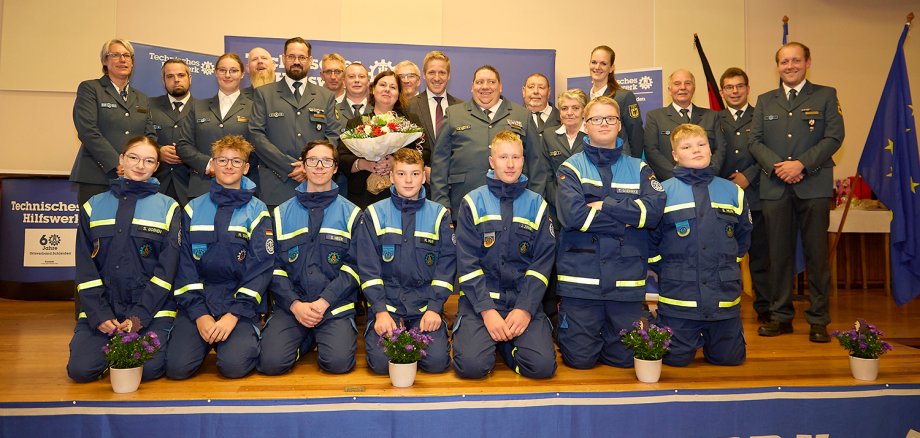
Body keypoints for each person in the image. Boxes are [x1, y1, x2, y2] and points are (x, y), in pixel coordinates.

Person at [554, 96, 665, 369]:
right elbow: (573, 215)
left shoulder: (639, 168)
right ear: (585, 125)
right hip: (581, 283)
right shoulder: (570, 167)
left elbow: (653, 212)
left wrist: (606, 204)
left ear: (619, 125)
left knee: (625, 360)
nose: (604, 124)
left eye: (610, 119)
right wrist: (628, 219)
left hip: (625, 284)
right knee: (580, 361)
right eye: (596, 119)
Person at [750, 42, 844, 343]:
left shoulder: (826, 95)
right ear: (777, 66)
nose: (789, 66)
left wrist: (801, 164)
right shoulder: (766, 101)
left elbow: (834, 136)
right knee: (777, 255)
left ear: (807, 62)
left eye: (795, 60)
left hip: (813, 184)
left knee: (817, 255)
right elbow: (755, 141)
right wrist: (780, 167)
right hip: (775, 186)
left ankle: (818, 318)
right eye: (783, 61)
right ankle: (781, 316)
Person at [67, 136, 180, 382]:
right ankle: (107, 353)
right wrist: (99, 315)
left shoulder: (168, 208)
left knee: (148, 371)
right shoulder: (93, 206)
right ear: (121, 160)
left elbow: (166, 272)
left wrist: (138, 316)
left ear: (156, 167)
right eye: (134, 158)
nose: (140, 165)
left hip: (150, 310)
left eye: (149, 160)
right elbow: (85, 270)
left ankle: (117, 354)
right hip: (103, 311)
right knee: (81, 371)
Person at [165, 135, 273, 379]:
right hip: (199, 302)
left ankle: (232, 339)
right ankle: (202, 339)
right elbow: (184, 265)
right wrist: (200, 315)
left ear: (246, 168)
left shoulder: (258, 210)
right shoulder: (192, 208)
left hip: (239, 306)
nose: (228, 166)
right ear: (212, 165)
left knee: (234, 367)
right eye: (222, 160)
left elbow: (261, 269)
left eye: (236, 161)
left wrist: (233, 316)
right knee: (177, 369)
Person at [451, 130, 556, 379]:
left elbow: (542, 265)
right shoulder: (472, 203)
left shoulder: (537, 205)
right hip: (481, 304)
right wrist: (487, 311)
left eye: (516, 158)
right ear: (491, 161)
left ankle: (506, 344)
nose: (510, 164)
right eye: (503, 157)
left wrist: (525, 309)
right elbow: (467, 264)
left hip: (521, 303)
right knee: (472, 367)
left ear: (523, 160)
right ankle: (493, 339)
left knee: (541, 368)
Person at [649, 123, 752, 367]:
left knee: (730, 360)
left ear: (710, 148)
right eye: (687, 146)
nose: (696, 150)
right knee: (674, 361)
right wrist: (667, 272)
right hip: (680, 301)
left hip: (723, 302)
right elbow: (650, 244)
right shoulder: (661, 194)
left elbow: (743, 238)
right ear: (675, 155)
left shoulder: (733, 192)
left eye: (701, 144)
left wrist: (725, 267)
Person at [259, 140, 361, 375]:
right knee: (271, 363)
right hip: (291, 307)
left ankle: (319, 336)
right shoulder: (281, 213)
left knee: (337, 364)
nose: (319, 166)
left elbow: (354, 268)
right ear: (303, 166)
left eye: (326, 161)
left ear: (335, 168)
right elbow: (273, 266)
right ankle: (305, 340)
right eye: (312, 160)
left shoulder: (353, 213)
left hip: (334, 307)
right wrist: (295, 304)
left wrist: (324, 302)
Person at [356, 148, 455, 375]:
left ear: (423, 176)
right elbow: (368, 269)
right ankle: (380, 329)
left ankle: (421, 335)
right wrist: (380, 311)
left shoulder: (439, 215)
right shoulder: (372, 214)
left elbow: (446, 266)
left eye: (414, 174)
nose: (408, 180)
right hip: (388, 306)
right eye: (401, 174)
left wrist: (434, 309)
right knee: (382, 365)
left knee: (437, 364)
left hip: (424, 306)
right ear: (391, 177)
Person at [430, 65, 548, 221]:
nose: (485, 87)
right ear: (472, 87)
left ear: (500, 86)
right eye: (480, 82)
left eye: (491, 82)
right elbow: (440, 163)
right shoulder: (454, 114)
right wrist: (442, 203)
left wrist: (534, 202)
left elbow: (536, 163)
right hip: (464, 204)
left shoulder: (522, 115)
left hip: (516, 204)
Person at [249, 37, 342, 209]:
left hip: (315, 184)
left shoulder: (325, 96)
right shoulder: (264, 94)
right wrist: (288, 166)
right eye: (291, 57)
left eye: (302, 57)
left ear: (310, 61)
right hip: (275, 185)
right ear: (283, 59)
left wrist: (310, 167)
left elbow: (332, 135)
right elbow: (256, 135)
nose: (296, 62)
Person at [71, 38, 155, 205]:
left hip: (134, 178)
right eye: (115, 55)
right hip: (97, 176)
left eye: (127, 55)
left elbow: (149, 134)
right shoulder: (90, 88)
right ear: (104, 60)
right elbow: (87, 130)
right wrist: (117, 163)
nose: (122, 60)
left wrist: (140, 164)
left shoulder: (141, 97)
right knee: (95, 229)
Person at [717, 67, 770, 324]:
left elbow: (770, 151)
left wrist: (749, 176)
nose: (734, 91)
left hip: (757, 194)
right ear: (722, 91)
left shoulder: (760, 115)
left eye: (739, 86)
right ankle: (726, 305)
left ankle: (765, 308)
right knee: (726, 255)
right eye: (729, 87)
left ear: (748, 88)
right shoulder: (715, 119)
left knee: (760, 255)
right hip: (725, 199)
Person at [337, 70, 426, 209]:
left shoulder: (410, 122)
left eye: (393, 87)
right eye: (383, 85)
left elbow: (424, 153)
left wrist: (396, 162)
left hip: (402, 194)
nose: (387, 90)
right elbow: (341, 158)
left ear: (398, 94)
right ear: (373, 89)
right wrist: (366, 164)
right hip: (363, 195)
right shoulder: (356, 123)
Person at [176, 53, 255, 199]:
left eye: (233, 70)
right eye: (222, 70)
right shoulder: (198, 106)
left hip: (239, 189)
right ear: (215, 72)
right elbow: (183, 145)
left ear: (242, 74)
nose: (227, 75)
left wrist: (234, 166)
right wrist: (209, 164)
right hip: (202, 187)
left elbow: (257, 146)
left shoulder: (254, 108)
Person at [643, 69, 726, 180]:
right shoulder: (655, 117)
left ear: (694, 88)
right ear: (669, 90)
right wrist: (677, 176)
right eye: (677, 84)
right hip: (671, 183)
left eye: (688, 83)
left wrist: (708, 173)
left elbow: (720, 149)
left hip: (707, 181)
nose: (683, 87)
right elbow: (651, 151)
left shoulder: (711, 116)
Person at [405, 50, 462, 183]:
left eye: (442, 72)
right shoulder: (408, 106)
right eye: (431, 72)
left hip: (453, 182)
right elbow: (403, 148)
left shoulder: (461, 107)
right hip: (418, 183)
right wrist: (422, 168)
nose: (437, 78)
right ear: (424, 75)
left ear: (449, 76)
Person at [587, 45, 644, 158]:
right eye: (594, 62)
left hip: (619, 161)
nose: (597, 67)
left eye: (603, 63)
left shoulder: (624, 97)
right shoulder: (585, 99)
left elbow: (636, 135)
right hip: (592, 162)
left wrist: (633, 163)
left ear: (611, 68)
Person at [149, 59, 193, 204]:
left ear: (189, 78)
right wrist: (158, 151)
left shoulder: (204, 109)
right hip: (156, 185)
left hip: (191, 186)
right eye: (170, 76)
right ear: (163, 81)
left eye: (181, 75)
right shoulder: (148, 106)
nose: (176, 80)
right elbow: (138, 138)